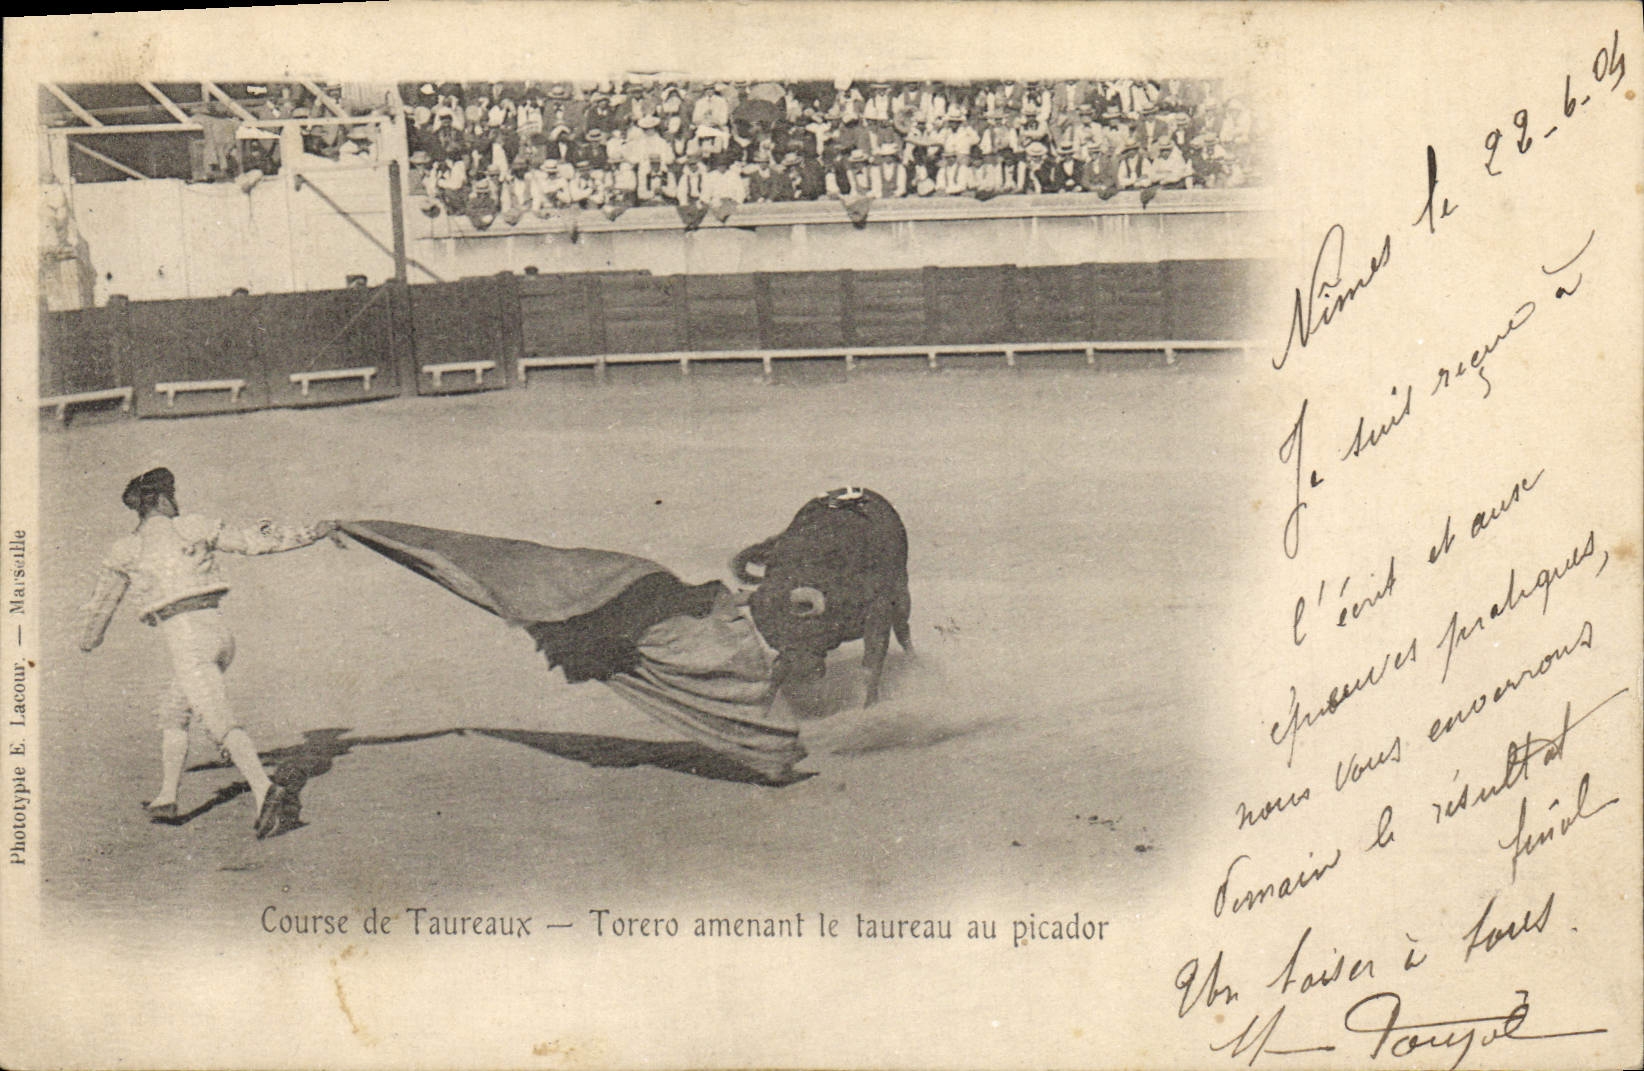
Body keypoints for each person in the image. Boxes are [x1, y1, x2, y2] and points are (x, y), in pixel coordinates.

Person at [76, 468, 341, 839]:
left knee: (219, 721)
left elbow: (101, 604)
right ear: (164, 501)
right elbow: (255, 541)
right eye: (172, 495)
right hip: (218, 633)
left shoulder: (125, 550)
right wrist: (312, 532)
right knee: (175, 708)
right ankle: (166, 797)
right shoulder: (194, 526)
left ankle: (266, 791)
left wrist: (88, 640)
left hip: (185, 640)